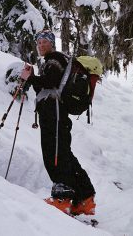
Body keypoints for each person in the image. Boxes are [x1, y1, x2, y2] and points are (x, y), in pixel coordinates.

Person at [20, 30, 96, 215]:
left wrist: (30, 78)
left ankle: (62, 199)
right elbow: (49, 84)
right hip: (56, 114)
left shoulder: (54, 59)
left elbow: (50, 81)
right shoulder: (55, 61)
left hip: (53, 113)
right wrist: (33, 80)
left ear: (52, 44)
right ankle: (84, 199)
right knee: (64, 153)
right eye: (39, 42)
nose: (41, 45)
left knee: (54, 154)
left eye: (45, 42)